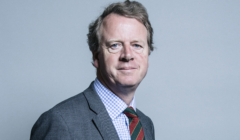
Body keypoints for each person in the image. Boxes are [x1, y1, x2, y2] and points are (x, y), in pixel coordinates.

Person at [30, 0, 155, 139]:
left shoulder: (145, 124)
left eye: (137, 45)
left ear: (147, 55)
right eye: (115, 45)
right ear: (96, 57)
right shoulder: (60, 121)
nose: (128, 55)